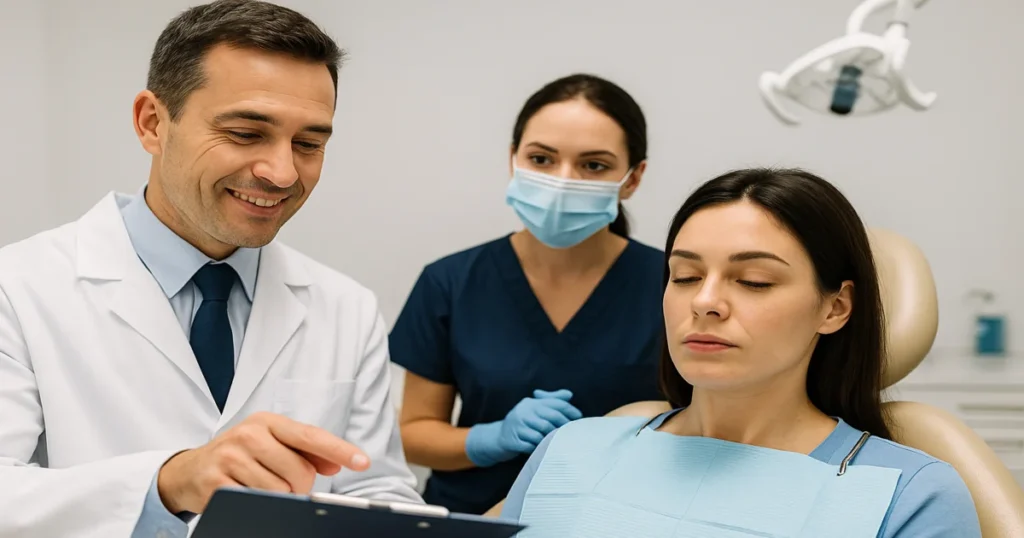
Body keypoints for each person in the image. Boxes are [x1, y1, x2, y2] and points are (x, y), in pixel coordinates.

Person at [0, 1, 420, 537]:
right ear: (152, 123)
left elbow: (375, 493)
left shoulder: (346, 308)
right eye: (246, 133)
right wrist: (168, 482)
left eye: (309, 143)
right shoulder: (17, 288)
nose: (282, 171)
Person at [499, 168, 982, 537]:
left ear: (834, 308)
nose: (705, 302)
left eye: (754, 281)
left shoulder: (910, 495)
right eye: (685, 277)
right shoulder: (571, 450)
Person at [389, 73, 665, 515]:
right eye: (541, 159)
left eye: (594, 165)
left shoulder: (674, 285)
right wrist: (490, 438)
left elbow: (713, 429)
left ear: (633, 179)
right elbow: (414, 433)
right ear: (513, 160)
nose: (562, 181)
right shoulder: (451, 282)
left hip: (615, 519)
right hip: (470, 520)